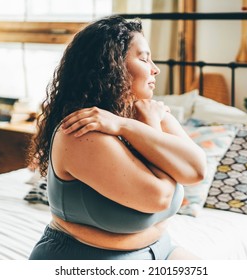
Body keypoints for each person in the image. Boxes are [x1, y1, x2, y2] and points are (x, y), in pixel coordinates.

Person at [28, 15, 206, 260]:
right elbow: (160, 197)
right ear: (111, 65)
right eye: (144, 58)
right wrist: (146, 127)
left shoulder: (146, 111)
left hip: (160, 249)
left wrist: (126, 125)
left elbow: (196, 171)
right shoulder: (81, 131)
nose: (155, 69)